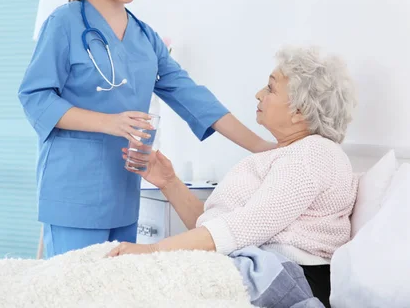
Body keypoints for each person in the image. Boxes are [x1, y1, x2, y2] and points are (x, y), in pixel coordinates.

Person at [18, 0, 274, 258]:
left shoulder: (145, 38)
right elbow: (35, 97)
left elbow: (193, 96)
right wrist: (109, 122)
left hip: (123, 190)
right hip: (73, 191)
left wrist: (263, 147)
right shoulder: (64, 23)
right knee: (74, 292)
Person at [108, 46, 359, 308]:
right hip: (256, 265)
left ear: (300, 110)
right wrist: (169, 182)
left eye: (271, 89)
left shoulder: (314, 153)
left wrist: (153, 252)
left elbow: (243, 227)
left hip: (289, 277)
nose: (259, 94)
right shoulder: (285, 155)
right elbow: (219, 228)